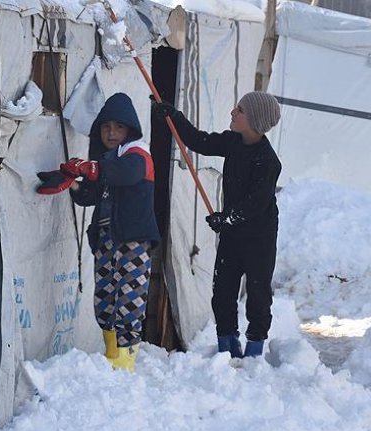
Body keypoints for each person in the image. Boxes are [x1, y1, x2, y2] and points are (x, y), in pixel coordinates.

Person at [152, 91, 281, 358]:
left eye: (240, 110)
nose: (233, 112)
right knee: (222, 292)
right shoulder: (233, 142)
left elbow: (256, 203)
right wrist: (175, 117)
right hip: (232, 235)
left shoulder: (267, 161)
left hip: (259, 237)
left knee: (258, 294)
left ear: (255, 120)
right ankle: (227, 346)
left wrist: (227, 218)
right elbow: (199, 141)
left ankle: (255, 349)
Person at [37, 92, 160, 372]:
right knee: (105, 297)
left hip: (133, 240)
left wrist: (88, 167)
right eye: (106, 127)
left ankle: (126, 357)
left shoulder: (137, 154)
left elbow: (125, 174)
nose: (111, 132)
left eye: (118, 127)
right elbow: (90, 195)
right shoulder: (108, 161)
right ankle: (112, 350)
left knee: (130, 296)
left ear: (130, 129)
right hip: (106, 239)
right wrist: (71, 181)